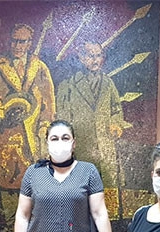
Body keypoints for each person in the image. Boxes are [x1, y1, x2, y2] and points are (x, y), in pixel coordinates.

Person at [8, 120, 123, 232]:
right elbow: (23, 215)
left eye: (65, 138)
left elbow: (100, 214)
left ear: (73, 143)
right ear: (47, 143)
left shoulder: (88, 171)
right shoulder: (33, 173)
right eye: (54, 138)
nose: (60, 142)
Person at [0, 23, 55, 224]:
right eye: (14, 41)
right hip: (7, 133)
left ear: (30, 43)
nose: (17, 46)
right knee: (9, 176)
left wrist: (45, 126)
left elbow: (49, 101)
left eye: (22, 41)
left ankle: (37, 223)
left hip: (34, 132)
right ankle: (12, 223)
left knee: (36, 178)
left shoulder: (40, 68)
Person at [56, 39, 131, 188]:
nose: (96, 60)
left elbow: (116, 109)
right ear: (81, 58)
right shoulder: (68, 85)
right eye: (91, 56)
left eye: (99, 55)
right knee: (81, 190)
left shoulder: (108, 83)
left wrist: (116, 124)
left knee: (108, 190)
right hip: (81, 150)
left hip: (105, 148)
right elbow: (62, 120)